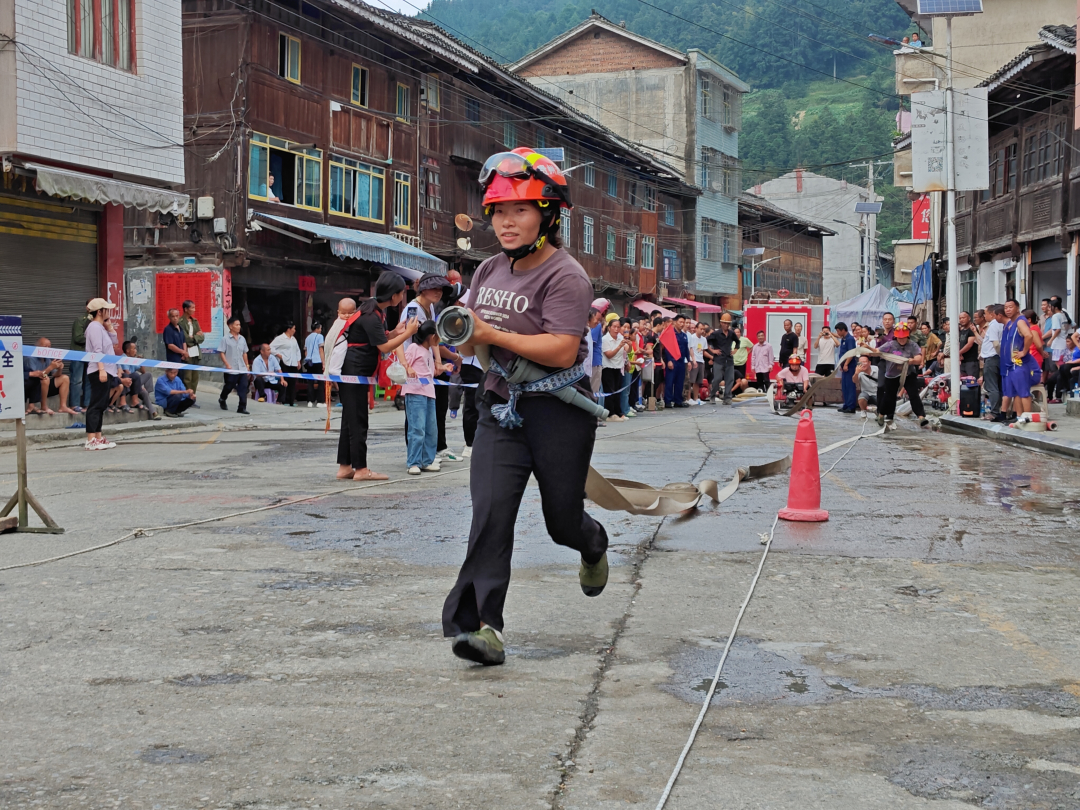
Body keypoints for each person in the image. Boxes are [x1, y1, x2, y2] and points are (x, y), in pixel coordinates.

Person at [442, 147, 608, 667]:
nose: (506, 222)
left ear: (548, 215)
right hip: (498, 405)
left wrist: (492, 332)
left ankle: (593, 542)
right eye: (498, 211)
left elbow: (562, 347)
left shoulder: (567, 276)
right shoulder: (489, 268)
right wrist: (464, 337)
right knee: (490, 514)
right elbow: (470, 343)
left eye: (520, 210)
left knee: (561, 520)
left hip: (559, 411)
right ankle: (483, 627)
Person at [338, 272, 418, 481]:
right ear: (393, 296)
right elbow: (383, 346)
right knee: (358, 420)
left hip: (356, 370)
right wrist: (407, 334)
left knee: (350, 419)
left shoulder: (374, 310)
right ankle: (361, 469)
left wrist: (396, 331)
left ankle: (345, 467)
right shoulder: (371, 315)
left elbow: (380, 338)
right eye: (401, 293)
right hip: (354, 371)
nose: (402, 296)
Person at [401, 273, 464, 461]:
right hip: (414, 363)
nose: (438, 293)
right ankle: (415, 455)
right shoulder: (413, 309)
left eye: (441, 290)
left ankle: (429, 452)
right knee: (415, 414)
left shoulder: (430, 308)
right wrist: (405, 364)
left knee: (429, 412)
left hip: (426, 364)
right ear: (423, 288)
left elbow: (434, 338)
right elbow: (406, 338)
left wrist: (438, 362)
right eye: (435, 288)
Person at [403, 321, 452, 474]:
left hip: (429, 392)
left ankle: (426, 460)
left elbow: (429, 373)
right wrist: (408, 368)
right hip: (415, 392)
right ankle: (414, 462)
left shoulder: (428, 351)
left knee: (431, 429)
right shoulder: (413, 348)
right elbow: (403, 364)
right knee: (417, 429)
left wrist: (443, 367)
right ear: (431, 337)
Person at [872, 322, 927, 428]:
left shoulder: (912, 345)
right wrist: (866, 347)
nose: (901, 340)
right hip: (892, 374)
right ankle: (881, 414)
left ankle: (921, 417)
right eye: (899, 338)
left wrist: (911, 361)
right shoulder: (890, 344)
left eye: (904, 337)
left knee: (913, 395)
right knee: (889, 396)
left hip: (908, 373)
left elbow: (919, 358)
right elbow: (877, 352)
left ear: (907, 336)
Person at [83, 298, 119, 450]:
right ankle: (91, 438)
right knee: (96, 405)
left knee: (102, 404)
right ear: (99, 312)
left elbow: (114, 343)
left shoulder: (101, 327)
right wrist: (102, 369)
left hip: (106, 370)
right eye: (106, 309)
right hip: (99, 370)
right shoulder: (94, 327)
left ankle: (98, 435)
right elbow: (97, 351)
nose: (108, 312)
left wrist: (110, 327)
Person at [997, 299, 1040, 421]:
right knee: (1015, 391)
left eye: (1010, 307)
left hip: (1018, 363)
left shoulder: (1020, 321)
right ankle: (1020, 417)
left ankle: (1028, 418)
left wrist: (1024, 351)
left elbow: (1029, 335)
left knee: (1023, 391)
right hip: (1010, 363)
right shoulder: (1009, 323)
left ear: (1017, 308)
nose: (1008, 310)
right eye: (1006, 308)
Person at [23, 337, 76, 416]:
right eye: (45, 346)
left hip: (45, 387)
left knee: (65, 378)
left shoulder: (47, 358)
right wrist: (51, 367)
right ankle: (44, 406)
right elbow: (37, 376)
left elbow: (55, 375)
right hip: (34, 388)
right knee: (45, 379)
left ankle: (63, 406)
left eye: (49, 347)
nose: (47, 349)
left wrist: (59, 369)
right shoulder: (30, 358)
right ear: (37, 348)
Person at [218, 316, 252, 414]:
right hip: (231, 368)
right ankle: (222, 398)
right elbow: (221, 352)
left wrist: (247, 365)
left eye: (239, 325)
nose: (239, 327)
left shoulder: (242, 339)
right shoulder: (225, 339)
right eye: (237, 325)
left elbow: (244, 353)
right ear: (230, 326)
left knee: (243, 388)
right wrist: (227, 364)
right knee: (229, 386)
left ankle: (242, 407)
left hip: (241, 368)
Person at [119, 339, 159, 418]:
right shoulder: (123, 358)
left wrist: (141, 362)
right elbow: (127, 373)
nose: (135, 350)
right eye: (134, 348)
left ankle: (153, 412)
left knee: (148, 375)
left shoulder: (133, 359)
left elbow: (143, 372)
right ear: (127, 350)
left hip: (135, 382)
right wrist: (139, 386)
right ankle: (152, 411)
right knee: (136, 378)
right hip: (128, 383)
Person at [977, 304, 1004, 419]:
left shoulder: (993, 325)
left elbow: (996, 343)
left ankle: (994, 412)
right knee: (997, 386)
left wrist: (998, 354)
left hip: (993, 358)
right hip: (994, 358)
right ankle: (999, 410)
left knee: (992, 386)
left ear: (992, 314)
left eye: (985, 313)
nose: (984, 316)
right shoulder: (1001, 325)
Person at [68, 298, 94, 413]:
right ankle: (74, 404)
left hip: (90, 355)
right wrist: (92, 339)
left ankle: (87, 404)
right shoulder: (81, 320)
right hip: (79, 353)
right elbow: (77, 337)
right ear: (87, 307)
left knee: (89, 380)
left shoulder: (98, 322)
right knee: (77, 380)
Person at [602, 317, 630, 421]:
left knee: (618, 390)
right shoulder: (605, 339)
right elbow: (609, 355)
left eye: (618, 327)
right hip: (608, 367)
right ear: (609, 328)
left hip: (618, 367)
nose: (616, 329)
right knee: (610, 391)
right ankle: (610, 413)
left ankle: (618, 412)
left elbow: (627, 350)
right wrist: (619, 346)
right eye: (614, 327)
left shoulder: (620, 338)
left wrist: (629, 345)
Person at [270, 322, 301, 406]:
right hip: (285, 362)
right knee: (285, 382)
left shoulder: (293, 339)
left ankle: (292, 401)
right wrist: (278, 355)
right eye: (293, 328)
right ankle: (285, 400)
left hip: (293, 363)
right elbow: (271, 347)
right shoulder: (280, 338)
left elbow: (297, 350)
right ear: (289, 329)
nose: (295, 330)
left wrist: (298, 360)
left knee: (293, 382)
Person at [707, 313, 736, 405]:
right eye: (725, 323)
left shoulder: (731, 333)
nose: (726, 325)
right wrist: (712, 350)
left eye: (728, 323)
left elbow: (738, 342)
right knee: (717, 378)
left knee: (730, 379)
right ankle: (712, 396)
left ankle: (727, 398)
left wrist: (735, 350)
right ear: (721, 323)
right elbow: (705, 341)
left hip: (729, 359)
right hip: (719, 359)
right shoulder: (715, 333)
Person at [178, 300, 205, 395]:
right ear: (186, 309)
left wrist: (194, 337)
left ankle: (193, 395)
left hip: (195, 351)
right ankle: (186, 395)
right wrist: (195, 337)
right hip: (187, 350)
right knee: (187, 376)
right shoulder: (180, 322)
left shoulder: (195, 321)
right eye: (192, 308)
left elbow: (202, 337)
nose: (194, 310)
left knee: (195, 376)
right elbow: (185, 338)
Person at [663, 314, 689, 408]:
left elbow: (686, 349)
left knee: (680, 382)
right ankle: (668, 401)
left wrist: (689, 360)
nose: (682, 324)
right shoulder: (671, 334)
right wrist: (669, 360)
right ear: (675, 322)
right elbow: (667, 348)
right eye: (680, 322)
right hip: (673, 360)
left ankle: (678, 400)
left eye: (683, 322)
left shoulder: (684, 335)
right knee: (670, 382)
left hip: (681, 361)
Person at [835, 323, 857, 413]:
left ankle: (851, 406)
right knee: (844, 386)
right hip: (844, 366)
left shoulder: (850, 339)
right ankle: (846, 404)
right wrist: (841, 365)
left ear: (843, 330)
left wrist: (846, 364)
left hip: (850, 367)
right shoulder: (843, 339)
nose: (838, 333)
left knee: (850, 386)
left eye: (838, 331)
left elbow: (851, 353)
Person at [303, 321, 325, 407]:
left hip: (309, 361)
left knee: (310, 382)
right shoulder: (320, 336)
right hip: (317, 361)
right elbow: (321, 350)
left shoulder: (307, 337)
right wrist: (323, 362)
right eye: (320, 328)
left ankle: (310, 401)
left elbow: (305, 351)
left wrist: (307, 358)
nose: (321, 330)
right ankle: (320, 401)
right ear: (317, 328)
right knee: (320, 382)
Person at [686, 321, 707, 406]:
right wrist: (691, 360)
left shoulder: (704, 339)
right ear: (696, 329)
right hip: (693, 360)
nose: (702, 331)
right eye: (701, 329)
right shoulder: (692, 337)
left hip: (701, 360)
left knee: (698, 381)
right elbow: (690, 349)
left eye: (703, 329)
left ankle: (696, 398)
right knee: (691, 380)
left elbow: (704, 350)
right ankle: (688, 398)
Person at [957, 311, 979, 377]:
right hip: (963, 361)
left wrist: (959, 353)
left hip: (971, 361)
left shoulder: (972, 329)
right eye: (960, 318)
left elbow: (969, 344)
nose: (961, 320)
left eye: (963, 318)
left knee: (971, 382)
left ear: (969, 318)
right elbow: (959, 343)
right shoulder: (962, 330)